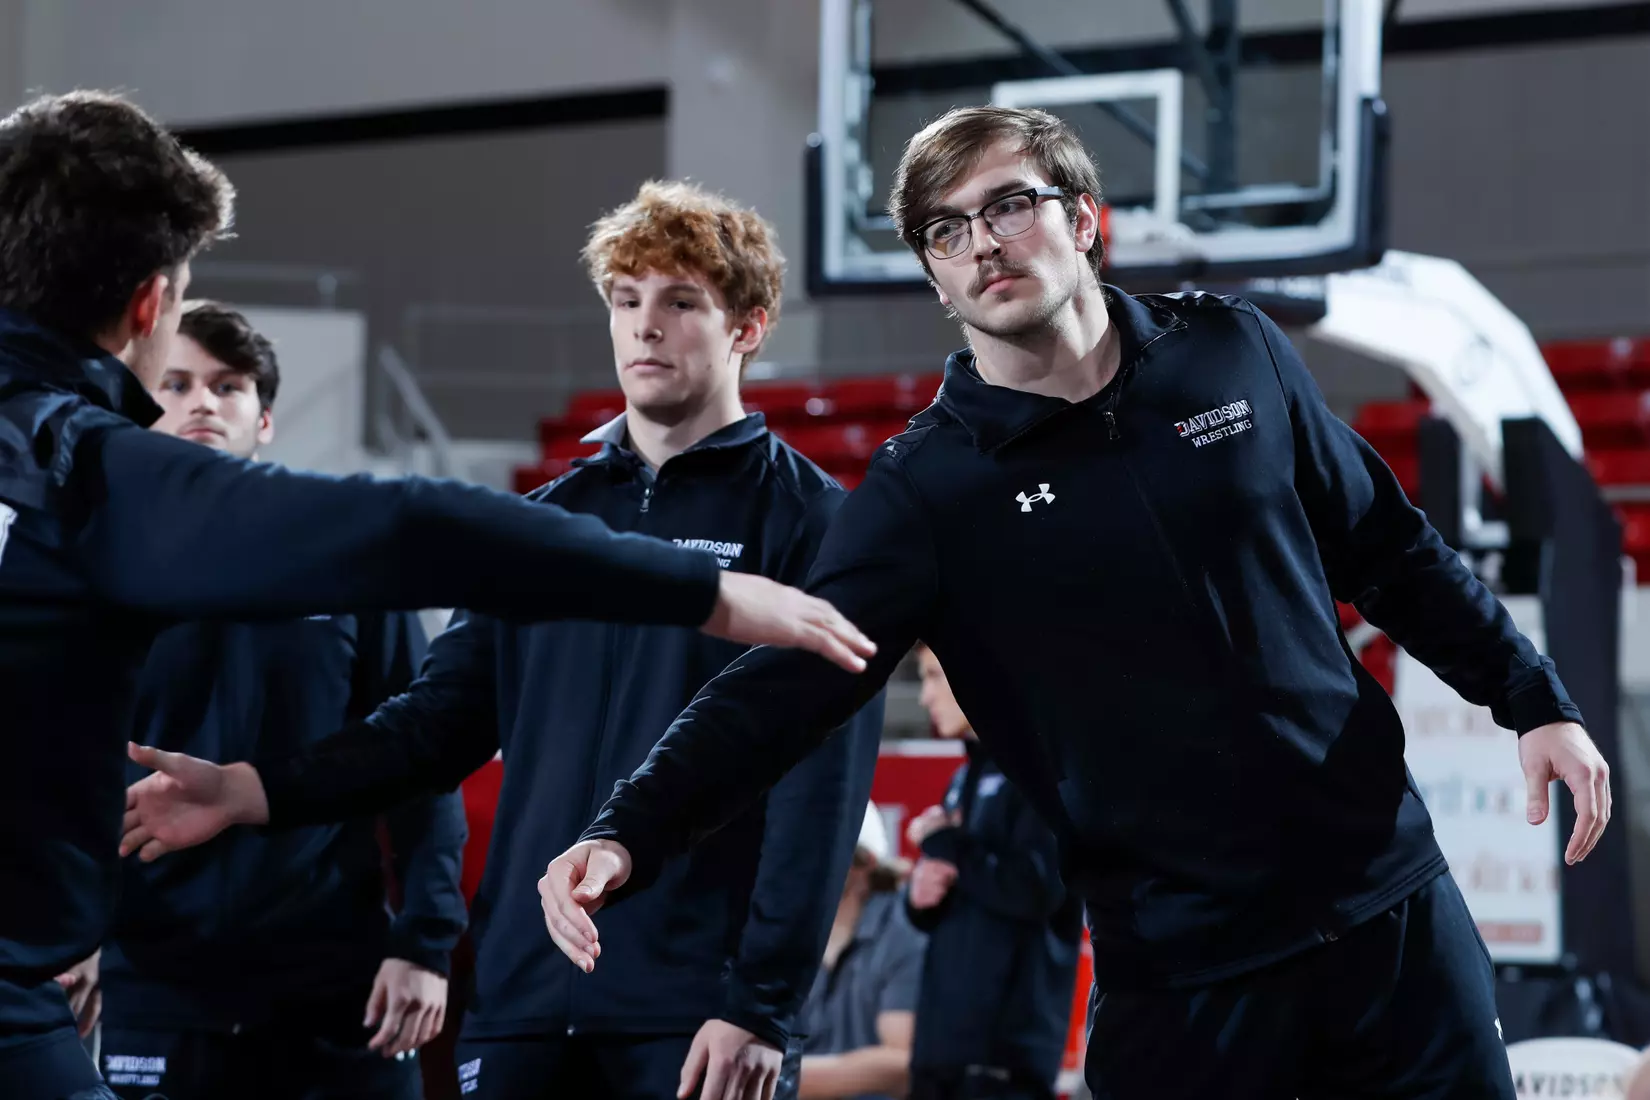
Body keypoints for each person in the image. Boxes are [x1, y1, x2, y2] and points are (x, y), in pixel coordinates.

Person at [528, 105, 1612, 1100]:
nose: (982, 242)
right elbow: (780, 686)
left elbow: (1390, 547)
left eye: (1008, 205)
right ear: (934, 280)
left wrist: (1533, 695)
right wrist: (629, 827)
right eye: (946, 231)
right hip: (1184, 978)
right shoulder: (924, 493)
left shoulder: (1233, 351)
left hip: (1396, 918)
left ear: (1084, 218)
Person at [0, 89, 871, 1100]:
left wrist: (759, 998)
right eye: (627, 298)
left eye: (678, 300)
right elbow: (415, 567)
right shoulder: (87, 474)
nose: (645, 325)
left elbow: (812, 788)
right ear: (150, 303)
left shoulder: (805, 515)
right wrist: (703, 589)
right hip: (517, 995)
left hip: (677, 999)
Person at [89, 301, 465, 1100]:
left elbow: (422, 758)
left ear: (263, 418)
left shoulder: (353, 560)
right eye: (178, 383)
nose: (202, 403)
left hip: (339, 993)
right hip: (154, 990)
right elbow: (46, 774)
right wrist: (60, 935)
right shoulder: (91, 575)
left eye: (228, 387)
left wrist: (426, 943)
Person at [903, 645, 1079, 1100]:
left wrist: (947, 847)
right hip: (943, 1056)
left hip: (1003, 1063)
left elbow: (1037, 889)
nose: (925, 697)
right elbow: (968, 889)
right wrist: (922, 897)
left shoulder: (1040, 771)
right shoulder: (964, 776)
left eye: (934, 678)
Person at [794, 806, 925, 1100]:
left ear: (865, 862)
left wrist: (777, 1074)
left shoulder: (904, 931)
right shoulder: (781, 933)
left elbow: (904, 1062)